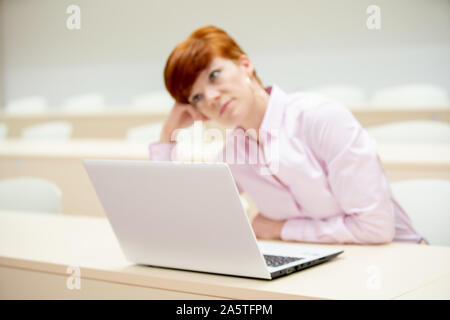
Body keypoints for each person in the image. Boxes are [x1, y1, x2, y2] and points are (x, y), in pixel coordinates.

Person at [149, 25, 425, 245]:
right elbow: (188, 216)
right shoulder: (235, 152)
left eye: (214, 75)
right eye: (196, 97)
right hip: (328, 263)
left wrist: (280, 229)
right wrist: (168, 135)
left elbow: (375, 229)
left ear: (245, 65)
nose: (209, 97)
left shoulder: (319, 118)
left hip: (399, 261)